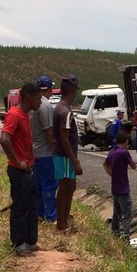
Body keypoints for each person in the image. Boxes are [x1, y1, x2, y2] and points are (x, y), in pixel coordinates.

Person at [0, 83, 42, 253]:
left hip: (28, 169)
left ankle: (30, 241)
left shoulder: (25, 115)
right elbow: (4, 139)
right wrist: (17, 162)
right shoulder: (15, 115)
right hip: (19, 171)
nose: (40, 102)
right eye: (38, 98)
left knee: (32, 205)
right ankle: (18, 244)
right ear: (28, 97)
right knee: (21, 206)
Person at [53, 75, 82, 234]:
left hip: (63, 155)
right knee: (65, 188)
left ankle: (65, 220)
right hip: (64, 156)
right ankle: (61, 224)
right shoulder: (65, 111)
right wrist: (75, 161)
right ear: (72, 90)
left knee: (70, 186)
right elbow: (64, 139)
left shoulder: (60, 107)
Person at [31, 76, 58, 224]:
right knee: (49, 184)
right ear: (50, 90)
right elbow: (48, 131)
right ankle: (51, 216)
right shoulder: (45, 105)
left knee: (39, 185)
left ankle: (39, 213)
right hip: (45, 152)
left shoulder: (33, 105)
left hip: (35, 151)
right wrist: (54, 147)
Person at [103, 130, 137, 240]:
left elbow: (105, 164)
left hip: (115, 187)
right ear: (126, 141)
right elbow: (133, 166)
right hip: (123, 189)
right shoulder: (124, 152)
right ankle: (125, 236)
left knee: (117, 213)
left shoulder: (112, 152)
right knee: (128, 214)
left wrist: (112, 175)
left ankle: (115, 234)